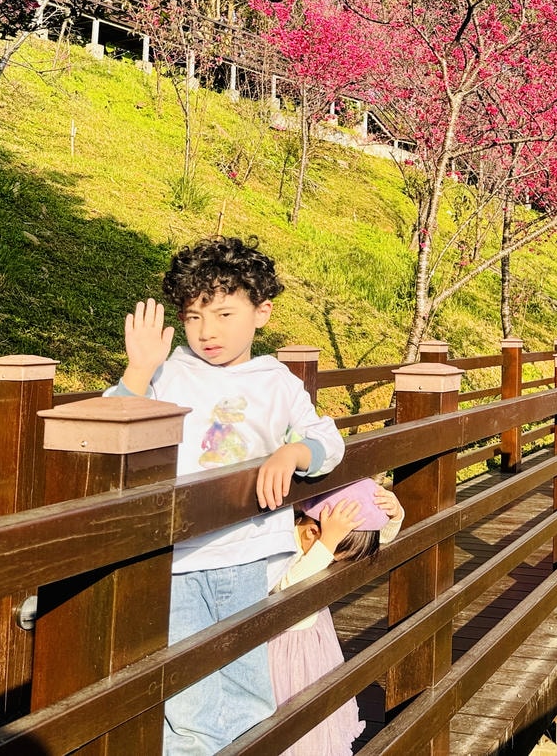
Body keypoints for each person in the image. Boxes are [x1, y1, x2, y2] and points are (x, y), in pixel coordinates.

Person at [106, 236, 346, 756]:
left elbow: (328, 439)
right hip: (177, 559)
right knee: (184, 697)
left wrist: (292, 454)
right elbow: (109, 429)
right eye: (193, 317)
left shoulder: (276, 380)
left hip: (249, 554)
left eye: (222, 314)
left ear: (262, 313)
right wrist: (139, 370)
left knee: (245, 689)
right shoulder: (169, 372)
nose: (206, 331)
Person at [269, 479, 404, 756]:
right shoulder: (284, 545)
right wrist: (327, 544)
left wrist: (395, 516)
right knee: (291, 725)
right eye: (333, 558)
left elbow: (379, 539)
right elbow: (288, 597)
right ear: (313, 532)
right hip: (281, 656)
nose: (332, 563)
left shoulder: (315, 537)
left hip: (314, 649)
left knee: (318, 720)